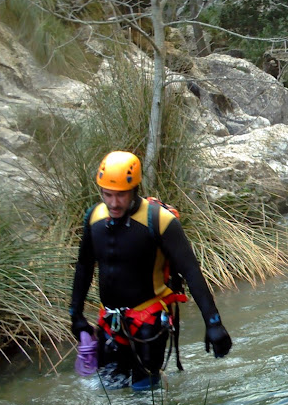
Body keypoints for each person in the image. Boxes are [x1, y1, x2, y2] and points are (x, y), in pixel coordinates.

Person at [69, 150, 232, 390]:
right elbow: (83, 267)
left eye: (121, 195)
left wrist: (214, 323)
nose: (113, 203)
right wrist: (76, 315)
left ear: (134, 189)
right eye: (107, 195)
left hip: (148, 323)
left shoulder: (160, 221)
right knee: (108, 391)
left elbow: (191, 272)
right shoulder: (94, 218)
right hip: (109, 322)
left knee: (144, 396)